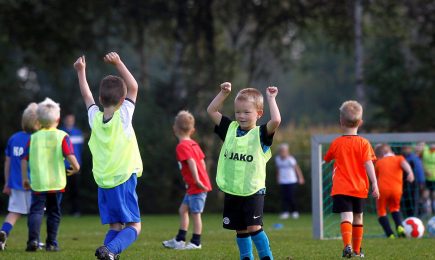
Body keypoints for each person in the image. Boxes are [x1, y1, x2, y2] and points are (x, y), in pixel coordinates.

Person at [74, 53, 143, 260]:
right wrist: (119, 63)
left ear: (101, 99)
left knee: (115, 225)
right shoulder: (123, 116)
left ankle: (108, 254)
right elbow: (134, 87)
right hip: (122, 178)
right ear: (123, 100)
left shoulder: (94, 118)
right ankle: (111, 250)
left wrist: (81, 71)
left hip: (103, 182)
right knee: (134, 225)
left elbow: (86, 96)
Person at [207, 82, 281, 260]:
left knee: (254, 228)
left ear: (259, 114)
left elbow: (276, 121)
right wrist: (223, 93)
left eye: (247, 112)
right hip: (234, 190)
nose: (241, 116)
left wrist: (271, 99)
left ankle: (266, 257)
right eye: (238, 112)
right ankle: (246, 257)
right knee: (240, 229)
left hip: (253, 190)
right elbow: (211, 110)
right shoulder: (230, 129)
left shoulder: (261, 133)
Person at [21, 98, 80, 252]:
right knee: (54, 212)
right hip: (56, 183)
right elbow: (70, 155)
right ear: (58, 119)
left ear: (39, 120)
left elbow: (24, 159)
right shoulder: (62, 136)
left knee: (36, 212)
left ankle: (33, 241)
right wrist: (76, 167)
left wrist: (25, 178)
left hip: (38, 183)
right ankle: (51, 243)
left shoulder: (33, 138)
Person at [324, 100, 379, 258]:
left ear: (341, 121)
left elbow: (327, 159)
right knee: (358, 217)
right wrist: (375, 183)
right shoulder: (364, 143)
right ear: (360, 122)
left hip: (341, 188)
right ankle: (356, 250)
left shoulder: (336, 143)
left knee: (346, 216)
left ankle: (347, 246)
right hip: (360, 188)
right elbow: (369, 164)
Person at [162, 111, 212, 250]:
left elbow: (191, 162)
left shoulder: (182, 146)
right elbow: (202, 162)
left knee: (195, 214)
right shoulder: (194, 144)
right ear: (192, 130)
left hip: (196, 186)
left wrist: (197, 180)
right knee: (183, 210)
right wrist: (203, 178)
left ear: (174, 128)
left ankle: (196, 242)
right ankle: (179, 239)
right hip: (194, 186)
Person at [0, 103, 40, 250]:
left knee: (14, 213)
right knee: (35, 214)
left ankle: (3, 232)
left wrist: (7, 183)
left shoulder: (14, 139)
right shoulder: (39, 139)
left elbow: (7, 163)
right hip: (34, 184)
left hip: (16, 184)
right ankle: (34, 241)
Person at [374, 144, 414, 238]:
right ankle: (400, 227)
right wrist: (410, 173)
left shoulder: (379, 162)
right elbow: (405, 165)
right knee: (395, 208)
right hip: (396, 189)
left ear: (381, 154)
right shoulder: (399, 158)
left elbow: (376, 177)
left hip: (382, 190)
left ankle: (390, 234)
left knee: (381, 211)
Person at [60, 113, 84, 216]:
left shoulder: (78, 132)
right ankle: (60, 210)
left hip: (75, 165)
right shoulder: (60, 132)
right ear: (65, 120)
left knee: (75, 190)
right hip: (62, 165)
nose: (70, 121)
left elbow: (80, 149)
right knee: (61, 189)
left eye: (72, 119)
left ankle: (75, 211)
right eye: (68, 119)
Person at [274, 143, 304, 220]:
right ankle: (285, 212)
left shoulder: (291, 159)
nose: (283, 152)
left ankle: (295, 212)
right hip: (283, 181)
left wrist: (300, 178)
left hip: (292, 181)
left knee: (291, 197)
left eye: (284, 151)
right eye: (281, 151)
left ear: (287, 151)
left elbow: (297, 168)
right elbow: (277, 170)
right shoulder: (277, 159)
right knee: (284, 197)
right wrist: (278, 179)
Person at [401, 145, 425, 217]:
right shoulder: (403, 158)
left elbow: (419, 171)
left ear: (410, 149)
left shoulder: (414, 159)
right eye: (403, 149)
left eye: (406, 148)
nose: (404, 150)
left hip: (415, 183)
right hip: (406, 184)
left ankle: (417, 215)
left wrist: (421, 182)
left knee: (415, 200)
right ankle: (409, 215)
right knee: (407, 200)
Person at [422, 144, 435, 213]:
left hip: (434, 179)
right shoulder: (425, 149)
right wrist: (425, 170)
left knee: (433, 195)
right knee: (425, 195)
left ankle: (433, 211)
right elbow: (420, 161)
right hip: (426, 178)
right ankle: (427, 211)